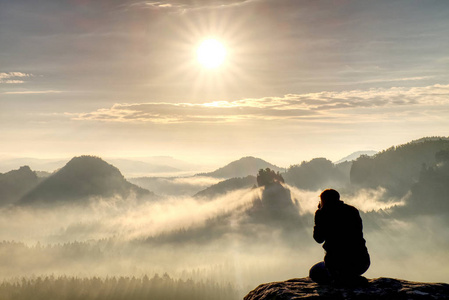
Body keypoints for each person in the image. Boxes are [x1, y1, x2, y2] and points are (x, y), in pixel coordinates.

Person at [309, 189, 370, 285]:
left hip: (337, 265)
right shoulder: (352, 210)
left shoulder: (323, 213)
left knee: (314, 272)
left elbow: (319, 238)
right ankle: (350, 277)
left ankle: (341, 278)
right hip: (362, 263)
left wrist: (319, 217)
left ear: (323, 201)